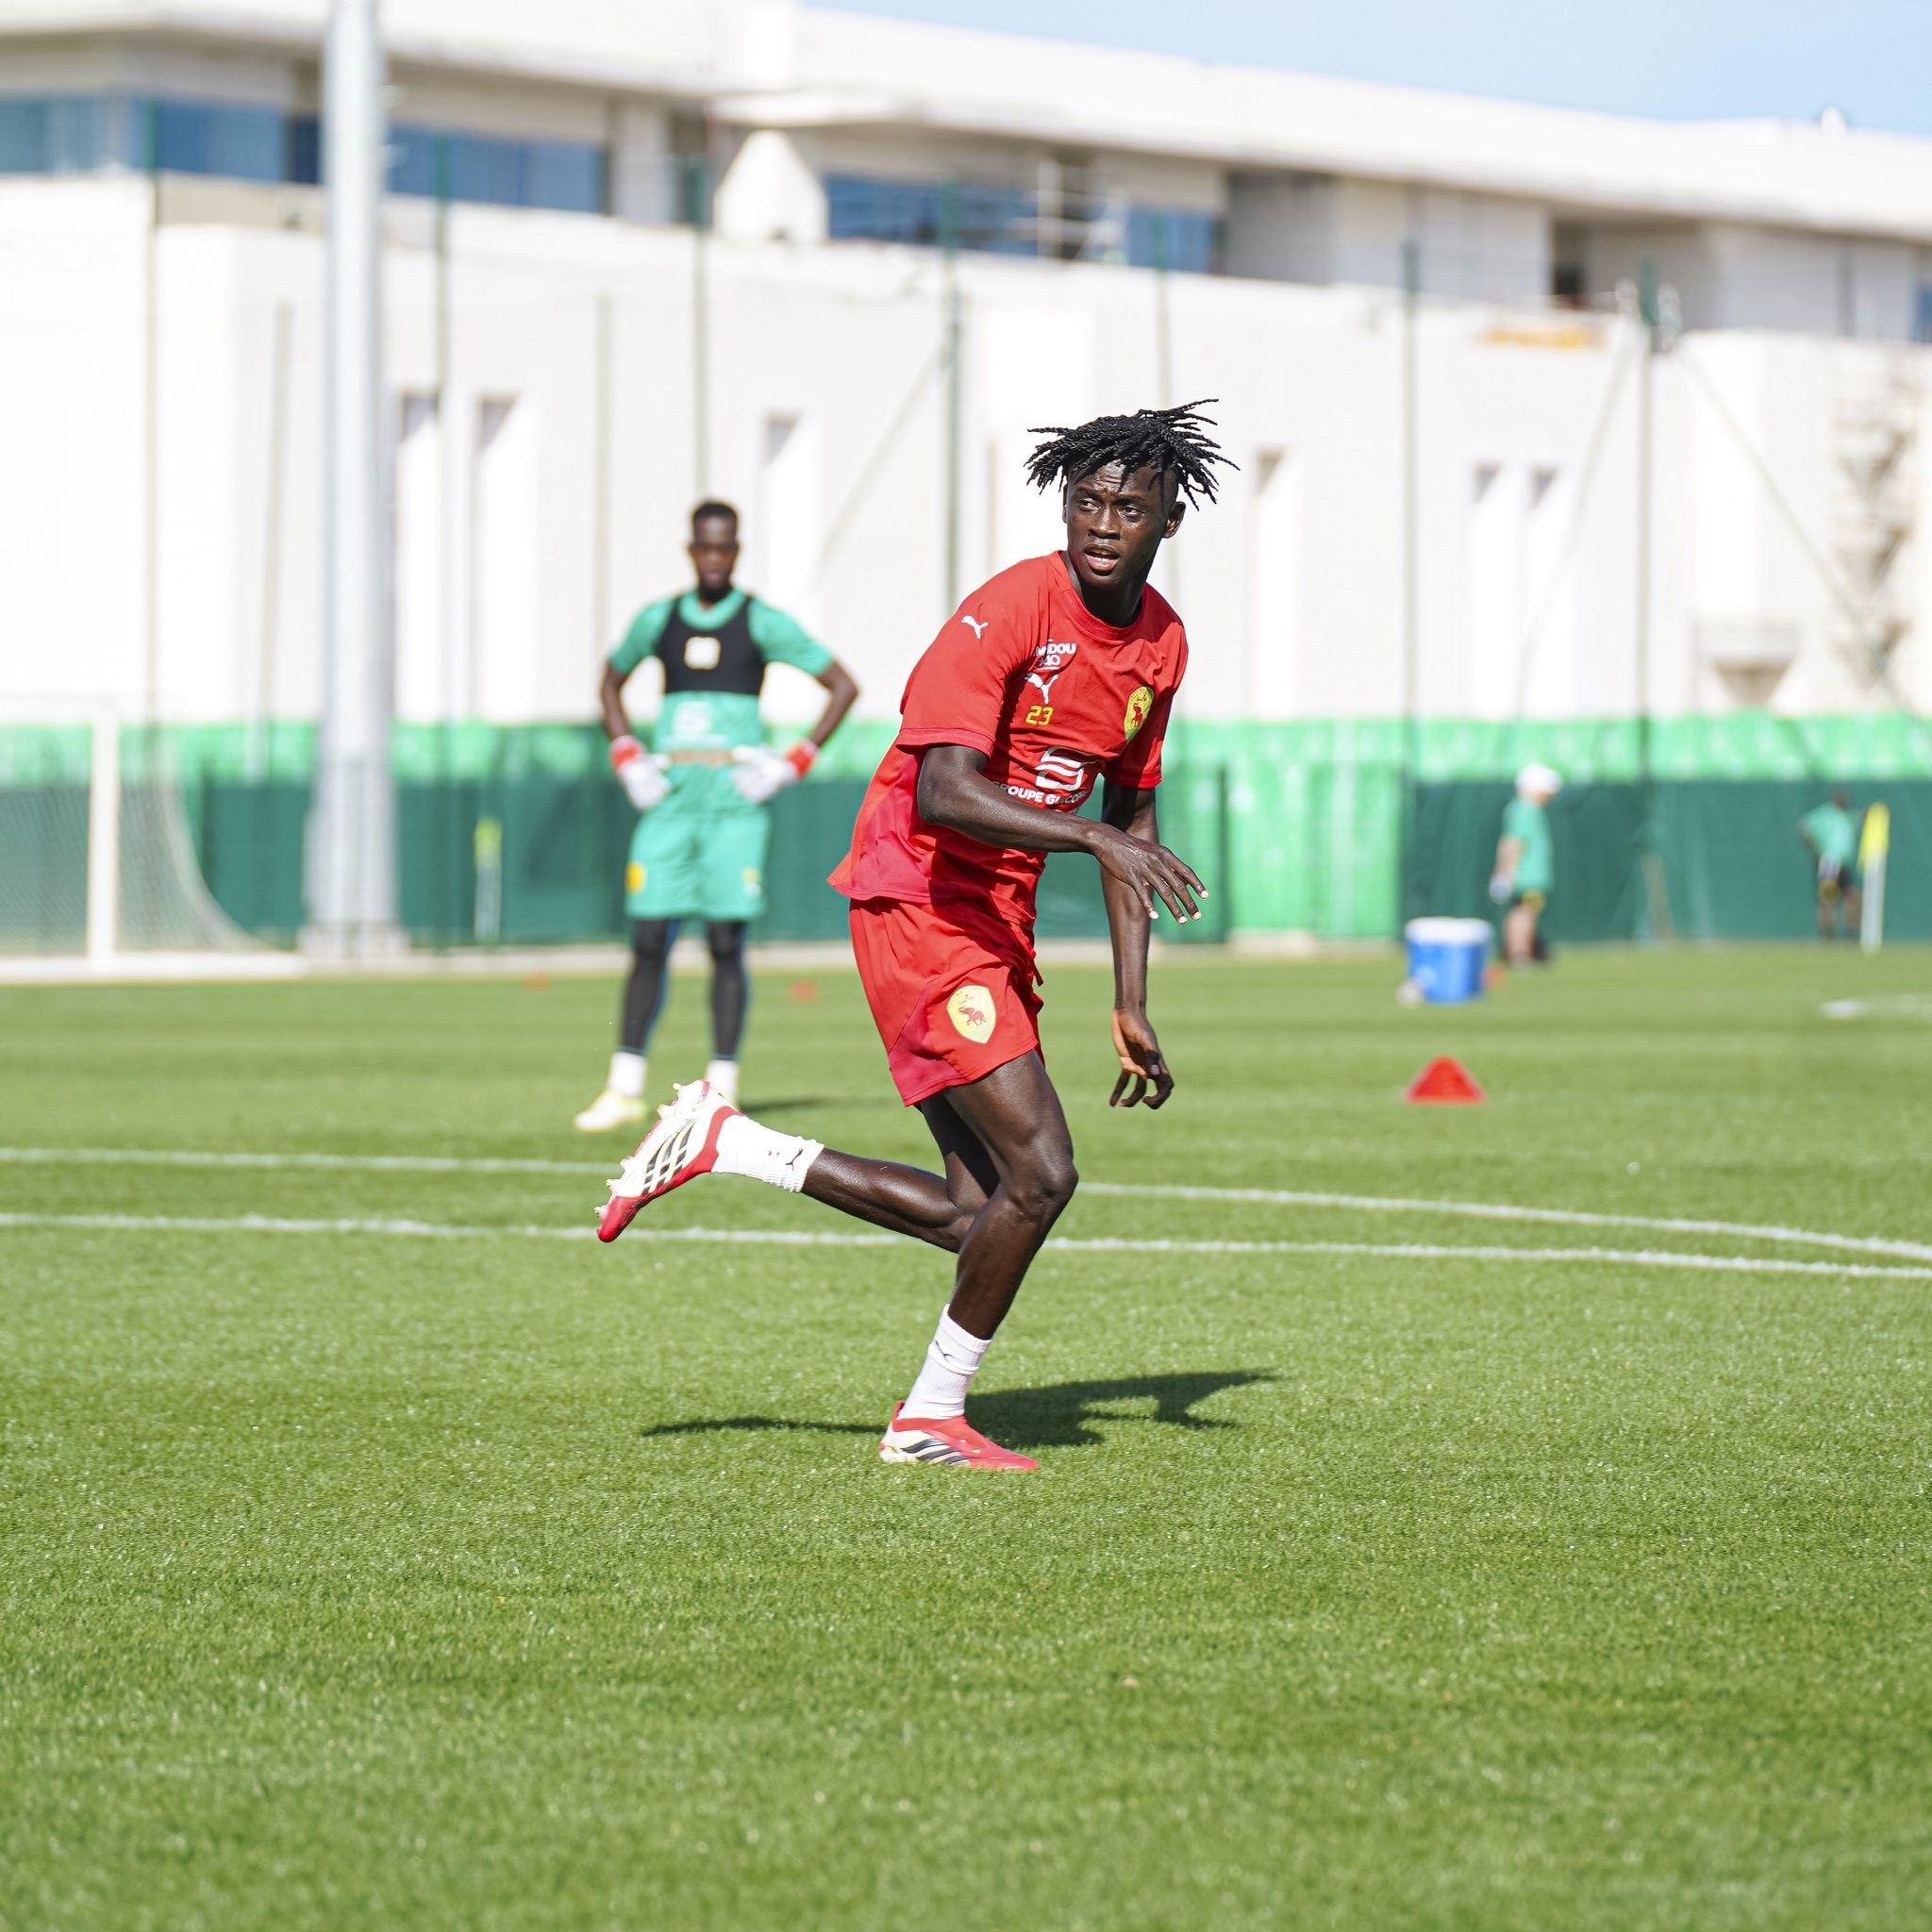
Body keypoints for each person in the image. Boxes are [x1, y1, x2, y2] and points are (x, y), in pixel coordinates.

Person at [596, 403, 1233, 1472]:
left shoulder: (1161, 642)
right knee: (1043, 1172)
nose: (1100, 521)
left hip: (995, 912)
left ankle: (731, 1142)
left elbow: (1130, 823)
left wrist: (1129, 999)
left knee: (974, 1211)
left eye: (1127, 505)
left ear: (1169, 518)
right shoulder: (1005, 610)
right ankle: (927, 1415)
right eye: (1084, 499)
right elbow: (943, 789)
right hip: (916, 893)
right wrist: (1089, 838)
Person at [573, 501, 859, 1132]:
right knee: (649, 940)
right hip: (670, 801)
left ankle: (722, 1085)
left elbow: (843, 685)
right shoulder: (660, 620)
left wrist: (793, 762)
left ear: (737, 550)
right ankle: (623, 1086)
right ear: (690, 548)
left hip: (734, 805)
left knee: (727, 943)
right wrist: (627, 756)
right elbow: (609, 682)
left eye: (724, 548)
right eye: (704, 547)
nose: (714, 557)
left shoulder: (760, 622)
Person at [1491, 763, 1561, 964]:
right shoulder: (1524, 810)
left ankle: (1520, 951)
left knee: (1528, 912)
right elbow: (1512, 843)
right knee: (1523, 913)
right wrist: (1505, 873)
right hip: (1525, 876)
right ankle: (1518, 953)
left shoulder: (1529, 810)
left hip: (1532, 876)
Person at [1799, 789, 1863, 941]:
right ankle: (1827, 934)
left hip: (1844, 864)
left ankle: (1851, 932)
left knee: (1853, 897)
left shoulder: (1848, 817)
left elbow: (1861, 818)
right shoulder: (1824, 814)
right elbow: (1805, 827)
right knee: (1828, 897)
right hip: (1829, 862)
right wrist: (1815, 847)